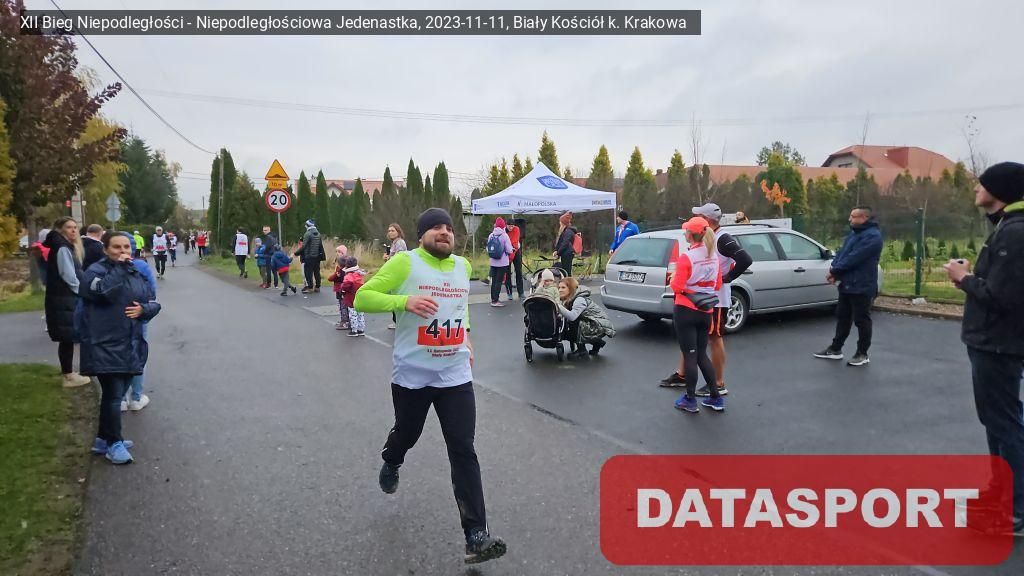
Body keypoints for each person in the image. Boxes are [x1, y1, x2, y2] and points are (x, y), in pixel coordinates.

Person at [354, 207, 507, 564]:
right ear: (421, 235)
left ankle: (476, 535)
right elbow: (362, 297)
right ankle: (392, 459)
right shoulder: (405, 263)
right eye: (436, 227)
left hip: (455, 373)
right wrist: (404, 301)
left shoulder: (462, 267)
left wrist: (466, 336)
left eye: (448, 227)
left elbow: (460, 307)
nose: (444, 232)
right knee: (407, 433)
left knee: (463, 449)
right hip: (414, 374)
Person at [944, 161, 1024, 536]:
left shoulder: (1015, 233)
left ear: (1001, 191)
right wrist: (971, 278)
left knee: (1005, 424)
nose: (976, 188)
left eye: (983, 183)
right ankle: (1001, 491)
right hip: (992, 341)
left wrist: (964, 279)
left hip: (997, 343)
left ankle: (1016, 509)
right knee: (996, 421)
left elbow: (1002, 297)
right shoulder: (1007, 227)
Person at [79, 231, 160, 464]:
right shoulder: (94, 272)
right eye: (117, 247)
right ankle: (114, 443)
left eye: (126, 247)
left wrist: (144, 310)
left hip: (130, 342)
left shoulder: (135, 271)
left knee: (116, 393)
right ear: (105, 250)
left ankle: (103, 440)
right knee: (114, 396)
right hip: (104, 343)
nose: (123, 251)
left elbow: (151, 301)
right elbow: (103, 292)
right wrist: (121, 268)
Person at [661, 204, 753, 395]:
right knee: (690, 338)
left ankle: (718, 382)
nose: (694, 218)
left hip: (715, 298)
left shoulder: (723, 238)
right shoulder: (705, 239)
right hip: (699, 298)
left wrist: (727, 278)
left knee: (714, 339)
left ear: (708, 221)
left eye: (699, 216)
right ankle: (682, 375)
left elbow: (745, 259)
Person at [813, 206, 883, 366]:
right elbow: (842, 254)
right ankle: (835, 349)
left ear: (864, 218)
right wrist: (835, 271)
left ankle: (862, 353)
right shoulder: (854, 234)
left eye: (853, 216)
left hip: (862, 285)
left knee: (861, 320)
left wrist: (835, 271)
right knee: (843, 317)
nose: (850, 219)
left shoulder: (873, 237)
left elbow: (855, 258)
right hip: (847, 284)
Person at [670, 217, 724, 414]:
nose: (685, 233)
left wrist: (675, 280)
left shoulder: (687, 257)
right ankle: (715, 397)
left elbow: (677, 287)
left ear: (691, 235)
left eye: (686, 231)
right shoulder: (713, 256)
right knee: (702, 355)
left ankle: (690, 399)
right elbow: (718, 284)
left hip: (686, 310)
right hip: (706, 310)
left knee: (689, 355)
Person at [43, 218, 90, 387]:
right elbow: (68, 274)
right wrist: (80, 290)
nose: (73, 230)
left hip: (63, 296)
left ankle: (68, 373)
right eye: (69, 227)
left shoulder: (63, 245)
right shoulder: (62, 247)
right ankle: (68, 376)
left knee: (67, 336)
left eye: (75, 227)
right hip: (65, 296)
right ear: (60, 229)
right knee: (67, 337)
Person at [121, 234, 157, 412]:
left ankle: (120, 399)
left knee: (117, 356)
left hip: (114, 319)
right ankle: (136, 398)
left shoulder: (104, 267)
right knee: (138, 355)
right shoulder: (141, 266)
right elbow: (152, 293)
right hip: (138, 316)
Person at [556, 276, 616, 358]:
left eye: (563, 287)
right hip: (594, 323)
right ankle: (597, 342)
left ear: (571, 288)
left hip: (598, 326)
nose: (560, 290)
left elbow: (572, 317)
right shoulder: (570, 298)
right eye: (559, 287)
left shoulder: (579, 300)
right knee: (569, 326)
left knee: (573, 323)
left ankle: (582, 351)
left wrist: (558, 306)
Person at [383, 223, 409, 329]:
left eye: (393, 230)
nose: (390, 232)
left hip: (399, 273)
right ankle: (397, 320)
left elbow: (400, 258)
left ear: (398, 232)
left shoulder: (400, 243)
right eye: (389, 231)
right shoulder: (394, 243)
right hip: (393, 272)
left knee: (397, 296)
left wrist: (389, 258)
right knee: (394, 296)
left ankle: (398, 321)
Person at [486, 217, 514, 307]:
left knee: (494, 281)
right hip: (502, 262)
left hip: (493, 261)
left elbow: (488, 248)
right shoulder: (504, 235)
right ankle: (496, 300)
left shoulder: (491, 235)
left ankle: (493, 299)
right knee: (499, 281)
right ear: (503, 226)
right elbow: (509, 250)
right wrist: (512, 250)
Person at [341, 257, 366, 337]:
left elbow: (345, 286)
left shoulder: (349, 276)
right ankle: (361, 329)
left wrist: (342, 290)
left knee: (353, 314)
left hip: (351, 297)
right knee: (360, 313)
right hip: (360, 296)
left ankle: (354, 330)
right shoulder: (360, 274)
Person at [298, 219, 323, 293]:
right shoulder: (318, 233)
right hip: (317, 256)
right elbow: (320, 245)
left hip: (309, 256)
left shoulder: (307, 234)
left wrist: (297, 253)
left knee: (308, 272)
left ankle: (310, 287)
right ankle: (317, 287)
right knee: (317, 272)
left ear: (307, 225)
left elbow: (304, 246)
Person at [327, 247, 350, 331]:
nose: (337, 253)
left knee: (343, 305)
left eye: (339, 252)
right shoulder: (344, 267)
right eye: (336, 251)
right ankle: (345, 320)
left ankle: (345, 321)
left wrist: (334, 276)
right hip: (341, 288)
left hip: (341, 288)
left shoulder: (341, 269)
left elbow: (334, 277)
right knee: (343, 305)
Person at [505, 219, 525, 301]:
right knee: (507, 273)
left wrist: (511, 256)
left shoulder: (516, 229)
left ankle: (521, 292)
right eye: (509, 226)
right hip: (507, 252)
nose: (511, 228)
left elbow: (515, 243)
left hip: (516, 251)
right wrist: (508, 257)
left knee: (518, 271)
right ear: (506, 225)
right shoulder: (504, 231)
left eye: (512, 226)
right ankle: (509, 293)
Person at [553, 211, 577, 277]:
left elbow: (564, 244)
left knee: (567, 271)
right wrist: (556, 250)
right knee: (565, 270)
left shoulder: (568, 232)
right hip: (565, 253)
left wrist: (558, 253)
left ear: (563, 223)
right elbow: (560, 242)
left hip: (567, 254)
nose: (559, 223)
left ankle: (568, 282)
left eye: (560, 222)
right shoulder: (565, 231)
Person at [260, 225, 280, 289]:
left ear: (269, 230)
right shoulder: (275, 236)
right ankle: (276, 284)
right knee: (274, 270)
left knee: (268, 270)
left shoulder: (268, 237)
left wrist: (264, 252)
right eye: (263, 230)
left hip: (269, 255)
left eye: (265, 230)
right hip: (275, 254)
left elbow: (268, 246)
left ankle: (268, 284)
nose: (264, 231)